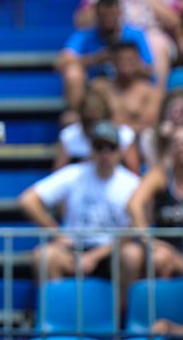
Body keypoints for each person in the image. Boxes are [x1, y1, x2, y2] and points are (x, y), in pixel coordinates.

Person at [19, 121, 139, 282]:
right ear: (91, 149)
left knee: (132, 256)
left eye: (110, 147)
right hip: (74, 248)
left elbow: (135, 229)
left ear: (120, 150)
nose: (105, 153)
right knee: (44, 256)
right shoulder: (73, 174)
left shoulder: (132, 184)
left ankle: (123, 308)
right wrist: (56, 232)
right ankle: (55, 306)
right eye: (99, 147)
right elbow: (28, 200)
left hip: (113, 251)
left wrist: (95, 256)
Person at [56, 0, 153, 119]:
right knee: (73, 72)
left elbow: (149, 69)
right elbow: (61, 63)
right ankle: (78, 118)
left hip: (127, 87)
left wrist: (125, 64)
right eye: (104, 16)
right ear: (96, 15)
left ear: (120, 13)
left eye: (112, 15)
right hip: (94, 90)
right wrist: (95, 59)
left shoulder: (135, 34)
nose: (109, 20)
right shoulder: (85, 36)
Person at [122, 126, 183, 294]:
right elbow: (133, 204)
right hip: (164, 249)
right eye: (176, 143)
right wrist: (147, 239)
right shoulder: (161, 175)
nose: (180, 147)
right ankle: (147, 314)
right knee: (156, 258)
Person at [90, 41, 162, 161]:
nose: (125, 64)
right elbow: (92, 117)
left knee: (148, 136)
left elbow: (150, 123)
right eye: (121, 60)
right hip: (103, 144)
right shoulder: (100, 87)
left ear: (138, 61)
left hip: (137, 146)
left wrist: (120, 131)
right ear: (112, 62)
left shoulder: (150, 92)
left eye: (130, 60)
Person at [53, 88, 139, 173]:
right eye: (87, 121)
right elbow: (57, 176)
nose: (91, 128)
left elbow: (134, 176)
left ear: (107, 118)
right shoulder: (68, 136)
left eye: (96, 122)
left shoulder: (124, 136)